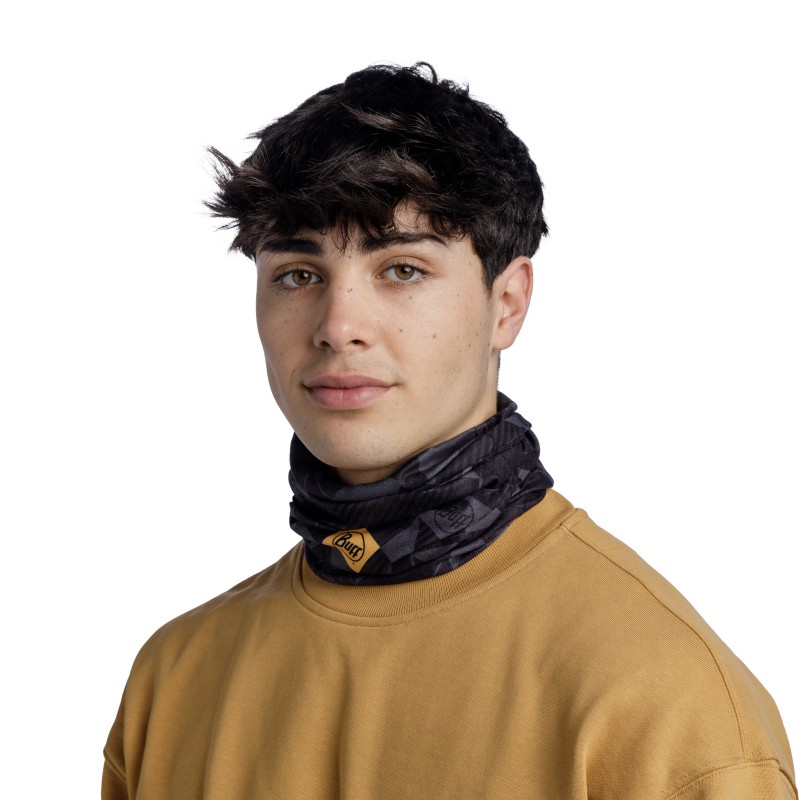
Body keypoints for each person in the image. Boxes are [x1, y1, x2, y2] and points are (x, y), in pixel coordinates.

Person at [102, 63, 797, 800]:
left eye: (402, 270)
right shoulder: (171, 684)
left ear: (508, 305)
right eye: (298, 274)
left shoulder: (664, 704)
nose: (339, 327)